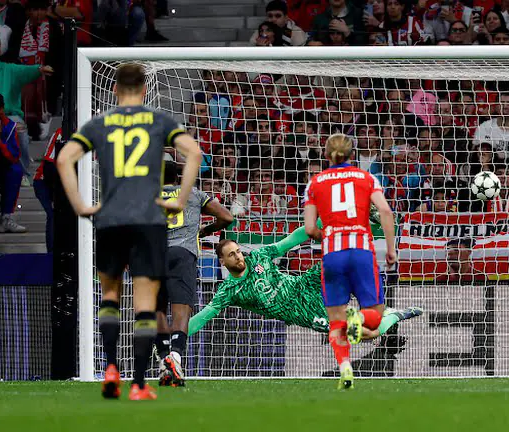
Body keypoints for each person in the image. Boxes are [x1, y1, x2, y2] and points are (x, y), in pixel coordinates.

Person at [56, 64, 202, 401]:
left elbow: (65, 159)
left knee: (109, 298)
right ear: (143, 89)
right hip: (148, 221)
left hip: (110, 219)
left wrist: (80, 204)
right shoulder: (158, 121)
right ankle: (137, 384)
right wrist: (180, 198)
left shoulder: (99, 124)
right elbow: (193, 152)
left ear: (116, 89)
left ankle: (110, 369)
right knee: (145, 303)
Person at [188, 237, 421, 342]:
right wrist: (174, 339)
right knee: (365, 334)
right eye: (232, 255)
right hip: (301, 312)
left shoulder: (259, 256)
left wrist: (317, 224)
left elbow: (291, 240)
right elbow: (202, 317)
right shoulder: (229, 290)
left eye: (238, 251)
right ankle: (393, 314)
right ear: (222, 261)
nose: (239, 256)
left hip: (304, 283)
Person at [303, 133, 398, 390]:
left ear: (326, 155)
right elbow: (386, 212)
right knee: (376, 317)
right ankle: (357, 319)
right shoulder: (366, 178)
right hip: (360, 251)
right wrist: (391, 249)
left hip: (332, 255)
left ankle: (345, 369)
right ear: (352, 155)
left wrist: (330, 235)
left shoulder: (314, 183)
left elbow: (310, 228)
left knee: (335, 321)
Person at [155, 160, 233, 388]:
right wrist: (205, 230)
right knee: (181, 310)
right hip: (182, 254)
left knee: (157, 310)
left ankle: (163, 363)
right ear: (177, 178)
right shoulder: (194, 193)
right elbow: (227, 218)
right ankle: (176, 358)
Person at [0, 34, 53, 182]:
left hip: (9, 116)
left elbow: (28, 70)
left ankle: (23, 174)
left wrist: (40, 69)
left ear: (0, 50)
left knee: (20, 130)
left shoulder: (10, 69)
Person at [0, 92, 23, 233]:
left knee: (16, 170)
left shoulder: (9, 126)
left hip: (0, 170)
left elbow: (15, 155)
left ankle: (6, 218)